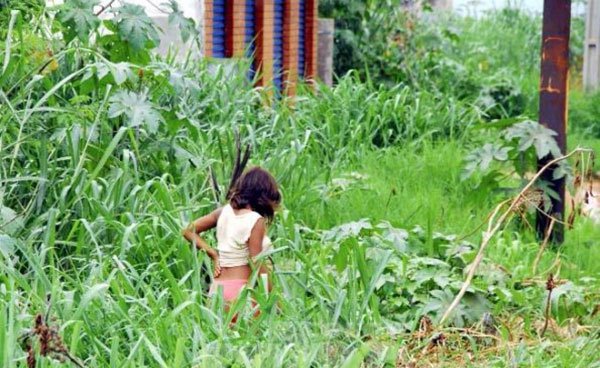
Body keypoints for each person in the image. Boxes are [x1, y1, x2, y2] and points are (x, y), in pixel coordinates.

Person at [182, 167, 281, 304]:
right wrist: (275, 299)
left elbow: (188, 231)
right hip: (239, 293)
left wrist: (214, 254)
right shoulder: (255, 220)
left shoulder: (223, 211)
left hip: (215, 294)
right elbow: (256, 263)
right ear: (263, 195)